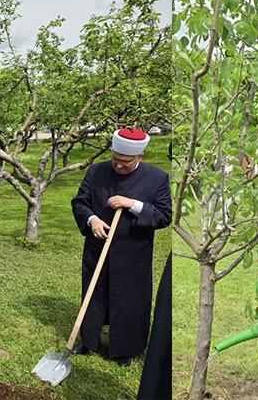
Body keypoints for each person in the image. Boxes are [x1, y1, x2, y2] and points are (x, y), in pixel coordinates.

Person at [71, 128, 172, 367]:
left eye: (125, 162)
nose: (118, 165)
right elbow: (80, 202)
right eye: (115, 159)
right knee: (94, 294)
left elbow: (164, 215)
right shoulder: (96, 172)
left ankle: (125, 349)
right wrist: (92, 220)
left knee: (129, 299)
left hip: (133, 253)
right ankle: (89, 340)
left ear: (140, 156)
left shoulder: (157, 178)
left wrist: (133, 204)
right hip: (98, 248)